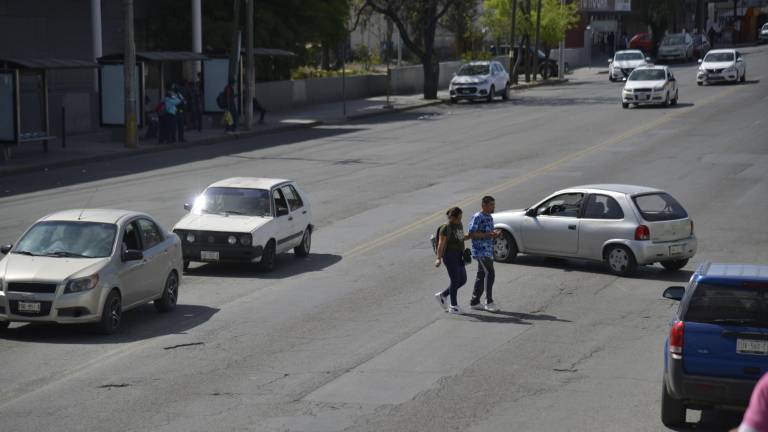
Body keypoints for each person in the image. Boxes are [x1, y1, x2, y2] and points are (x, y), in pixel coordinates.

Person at [434, 207, 469, 314]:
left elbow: (461, 238)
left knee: (463, 280)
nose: (460, 220)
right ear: (452, 217)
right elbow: (441, 244)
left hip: (459, 255)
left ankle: (443, 295)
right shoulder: (445, 228)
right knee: (455, 280)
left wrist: (471, 235)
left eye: (461, 217)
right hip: (449, 256)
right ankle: (453, 306)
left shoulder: (459, 224)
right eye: (458, 218)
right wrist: (438, 258)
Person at [468, 196, 500, 312]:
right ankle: (489, 302)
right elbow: (472, 233)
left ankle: (475, 301)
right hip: (480, 251)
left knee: (481, 275)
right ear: (484, 205)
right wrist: (488, 235)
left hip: (488, 250)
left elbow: (488, 232)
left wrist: (494, 234)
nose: (493, 207)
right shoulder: (478, 217)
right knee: (490, 273)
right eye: (491, 204)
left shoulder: (490, 217)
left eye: (493, 204)